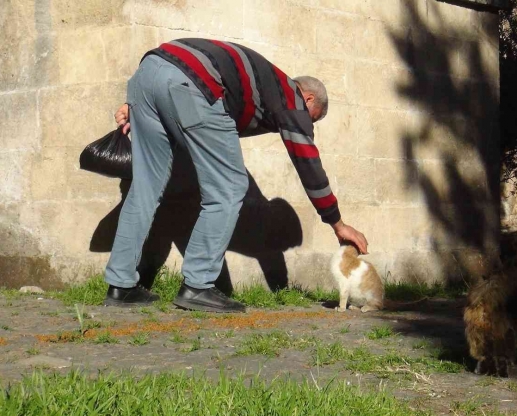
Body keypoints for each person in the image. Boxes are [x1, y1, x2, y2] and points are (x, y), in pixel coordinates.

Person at [102, 38, 369, 311]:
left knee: (145, 188)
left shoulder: (261, 87)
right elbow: (307, 160)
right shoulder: (291, 96)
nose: (307, 124)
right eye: (313, 118)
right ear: (309, 98)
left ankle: (120, 286)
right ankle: (197, 286)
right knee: (229, 186)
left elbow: (176, 75)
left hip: (149, 72)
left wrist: (149, 99)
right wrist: (337, 222)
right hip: (190, 82)